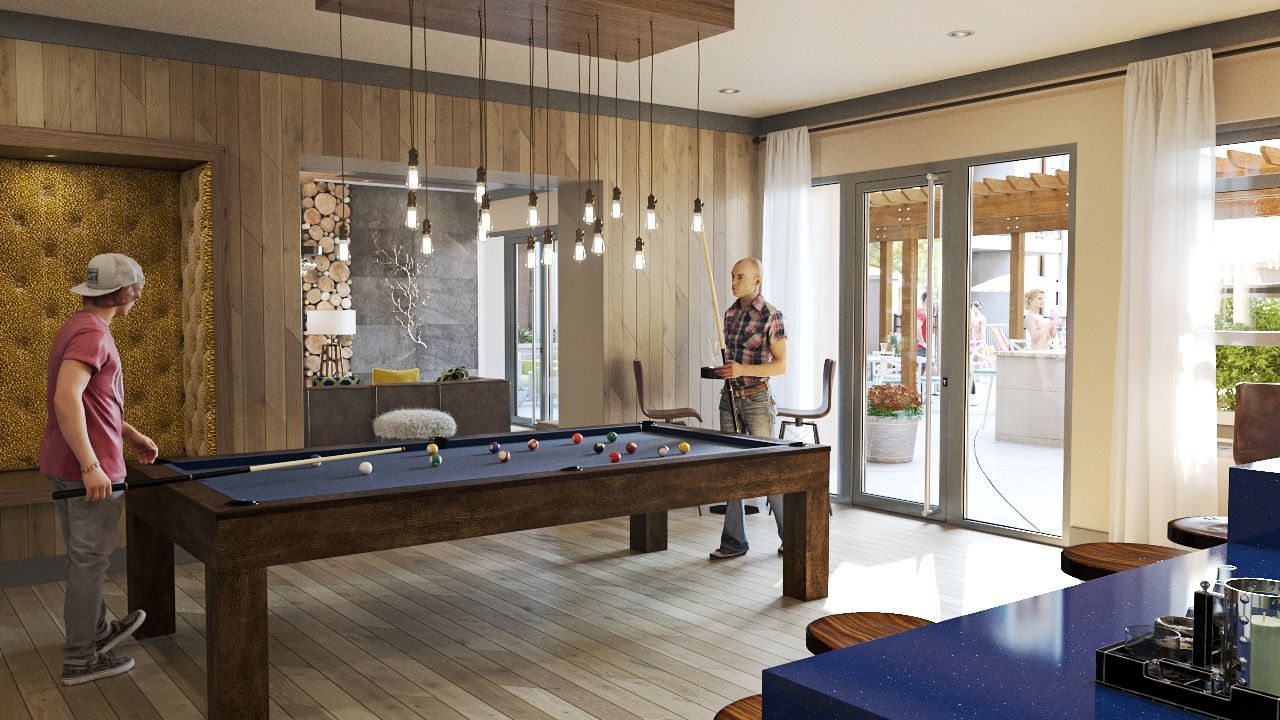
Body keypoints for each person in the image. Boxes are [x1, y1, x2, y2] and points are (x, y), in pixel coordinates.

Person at [41, 253, 156, 686]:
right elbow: (67, 398)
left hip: (71, 461)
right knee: (90, 562)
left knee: (84, 558)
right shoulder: (92, 333)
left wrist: (131, 435)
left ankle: (95, 631)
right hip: (85, 467)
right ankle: (81, 659)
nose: (141, 293)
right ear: (122, 292)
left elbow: (93, 402)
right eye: (137, 286)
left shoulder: (80, 324)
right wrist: (92, 466)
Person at [709, 258, 788, 560]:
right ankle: (733, 542)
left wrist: (743, 369)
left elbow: (781, 365)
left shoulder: (772, 315)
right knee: (731, 472)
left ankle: (791, 538)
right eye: (731, 276)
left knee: (771, 471)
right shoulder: (729, 314)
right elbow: (734, 363)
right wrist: (725, 370)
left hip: (756, 399)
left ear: (757, 280)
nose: (733, 282)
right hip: (729, 398)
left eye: (740, 277)